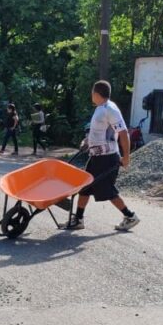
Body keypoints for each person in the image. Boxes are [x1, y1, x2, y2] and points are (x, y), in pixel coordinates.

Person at [68, 80, 139, 232]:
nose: (91, 95)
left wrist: (126, 157)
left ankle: (130, 216)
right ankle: (78, 219)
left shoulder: (110, 109)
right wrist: (87, 142)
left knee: (107, 190)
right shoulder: (100, 109)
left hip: (107, 158)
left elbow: (123, 133)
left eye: (91, 92)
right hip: (96, 156)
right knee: (85, 187)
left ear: (95, 93)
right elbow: (97, 132)